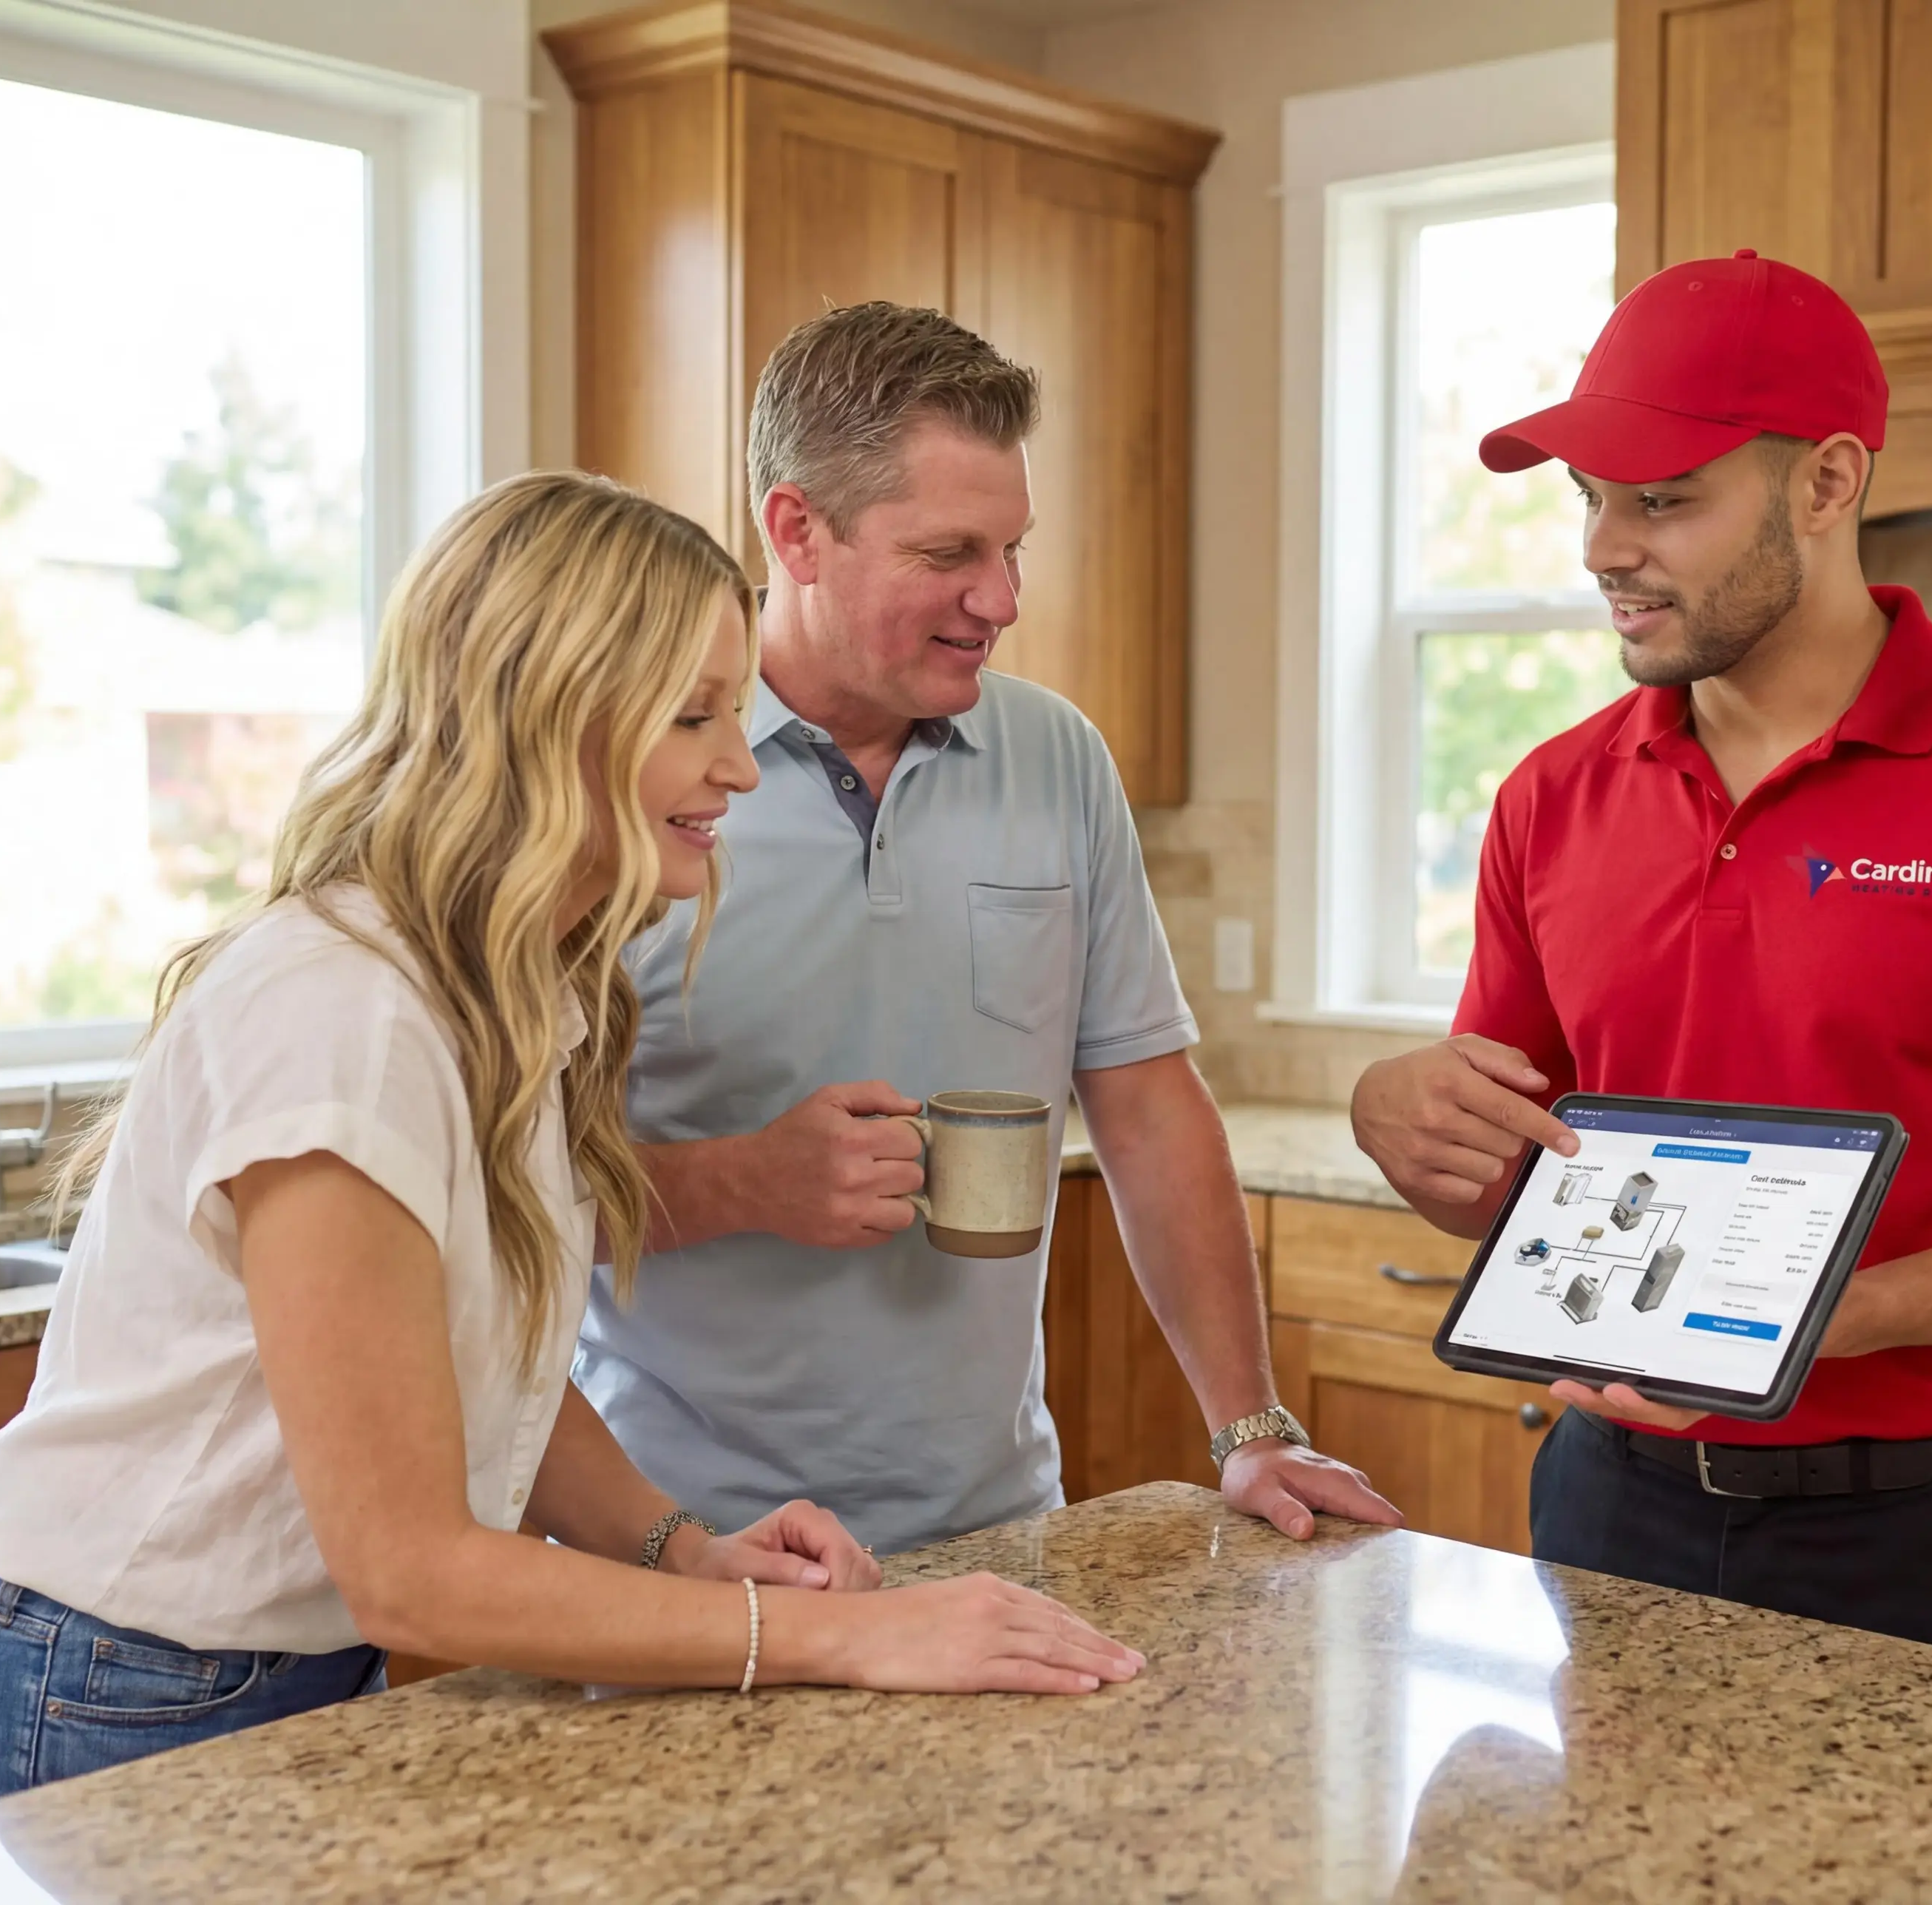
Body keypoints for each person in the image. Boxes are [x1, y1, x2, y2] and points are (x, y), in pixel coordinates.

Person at [0, 473, 1142, 1821]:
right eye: (692, 714)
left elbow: (498, 1368)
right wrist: (845, 1637)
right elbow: (412, 1569)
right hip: (95, 1693)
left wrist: (684, 1550)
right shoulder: (345, 1015)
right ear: (551, 717)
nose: (737, 762)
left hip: (257, 1675)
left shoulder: (504, 988)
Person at [1349, 251, 1932, 1672]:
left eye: (1663, 500)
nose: (1603, 547)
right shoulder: (1549, 798)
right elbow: (1518, 1181)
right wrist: (1404, 1124)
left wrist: (1839, 1317)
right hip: (1605, 1502)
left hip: (1927, 1537)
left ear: (1829, 484)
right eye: (1592, 498)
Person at [574, 303, 1397, 1555]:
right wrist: (737, 1181)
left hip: (1000, 1532)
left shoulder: (1054, 753)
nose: (1001, 598)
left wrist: (1251, 1430)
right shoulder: (633, 766)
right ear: (797, 529)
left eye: (1014, 548)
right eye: (949, 551)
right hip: (677, 1542)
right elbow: (490, 1201)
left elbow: (1147, 1103)